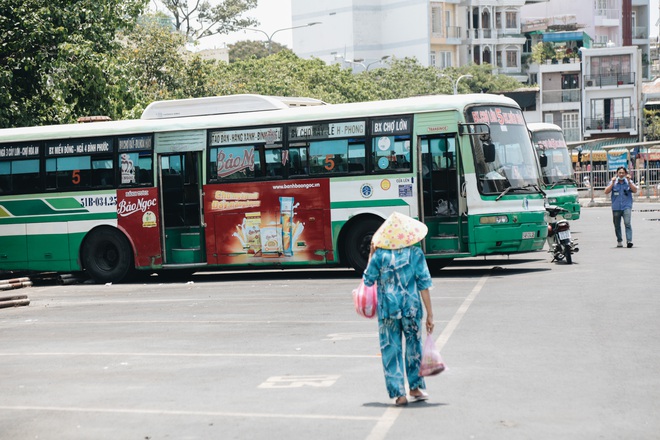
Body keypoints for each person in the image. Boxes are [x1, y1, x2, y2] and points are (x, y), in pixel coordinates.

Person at [362, 212, 434, 407]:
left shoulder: (380, 255)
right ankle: (415, 387)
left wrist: (371, 254)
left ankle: (399, 394)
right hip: (411, 309)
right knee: (414, 348)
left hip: (388, 311)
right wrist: (430, 314)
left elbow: (368, 280)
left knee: (390, 351)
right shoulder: (416, 253)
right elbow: (423, 284)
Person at [604, 166, 637, 248]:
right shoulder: (614, 182)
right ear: (617, 173)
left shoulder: (628, 182)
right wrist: (612, 183)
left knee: (627, 223)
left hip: (626, 206)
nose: (621, 174)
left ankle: (629, 241)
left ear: (626, 174)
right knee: (617, 225)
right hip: (616, 207)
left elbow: (635, 190)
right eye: (620, 173)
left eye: (623, 173)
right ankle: (619, 240)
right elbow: (606, 191)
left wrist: (629, 182)